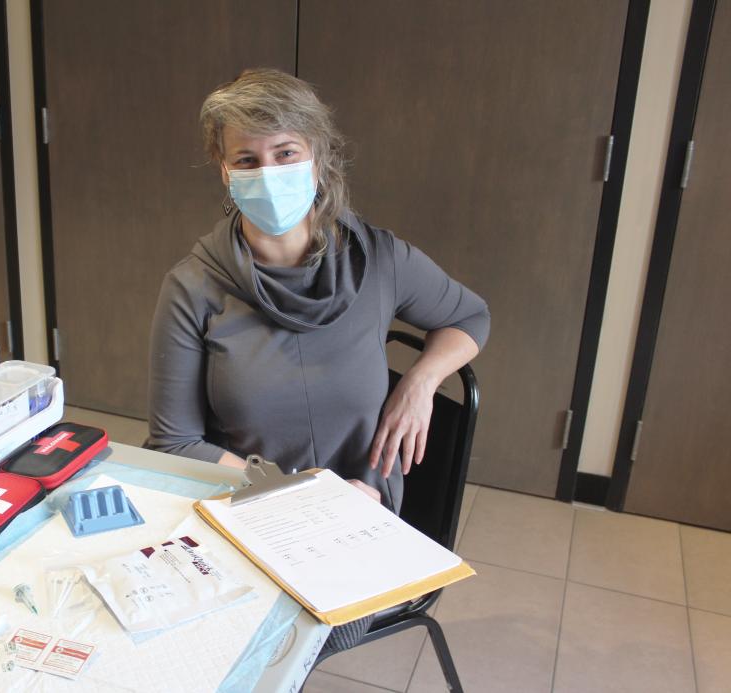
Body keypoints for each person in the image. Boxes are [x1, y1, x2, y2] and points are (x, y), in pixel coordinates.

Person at [146, 67, 489, 516]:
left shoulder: (380, 261)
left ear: (318, 156)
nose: (268, 173)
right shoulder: (192, 288)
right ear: (224, 170)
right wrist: (295, 497)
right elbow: (175, 443)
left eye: (285, 153)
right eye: (247, 160)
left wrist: (420, 381)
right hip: (249, 505)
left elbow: (470, 318)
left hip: (362, 510)